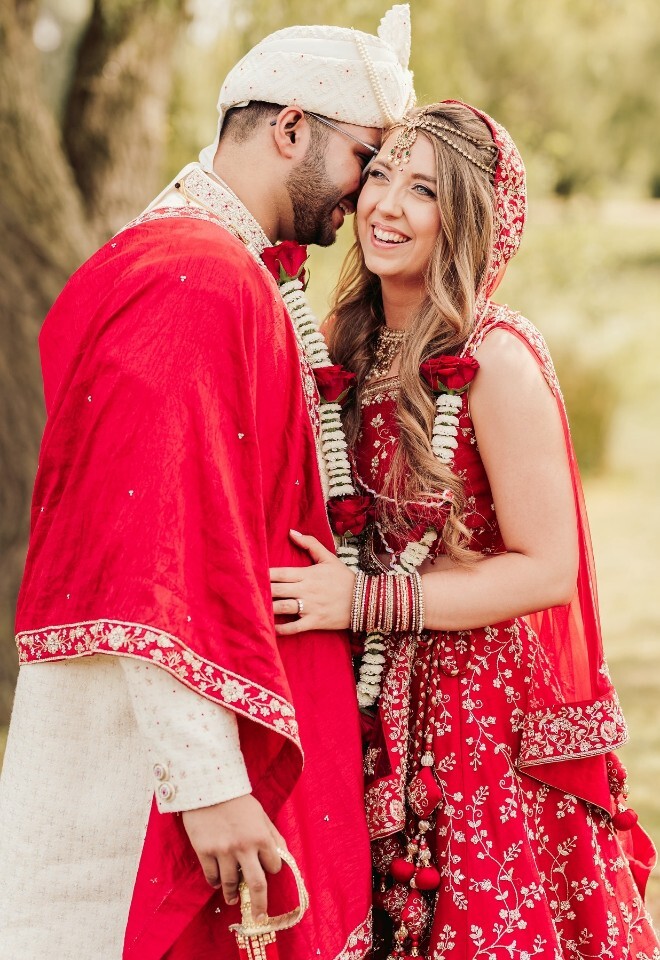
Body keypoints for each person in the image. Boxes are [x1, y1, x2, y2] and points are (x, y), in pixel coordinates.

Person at [0, 8, 416, 960]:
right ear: (291, 128)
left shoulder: (216, 267)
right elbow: (150, 549)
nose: (368, 196)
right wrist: (209, 785)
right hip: (164, 776)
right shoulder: (194, 276)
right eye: (368, 157)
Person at [269, 101, 660, 958]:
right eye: (379, 177)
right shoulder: (344, 343)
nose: (385, 207)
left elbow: (547, 568)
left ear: (470, 219)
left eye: (424, 191)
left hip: (480, 718)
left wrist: (368, 600)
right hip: (368, 701)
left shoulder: (498, 358)